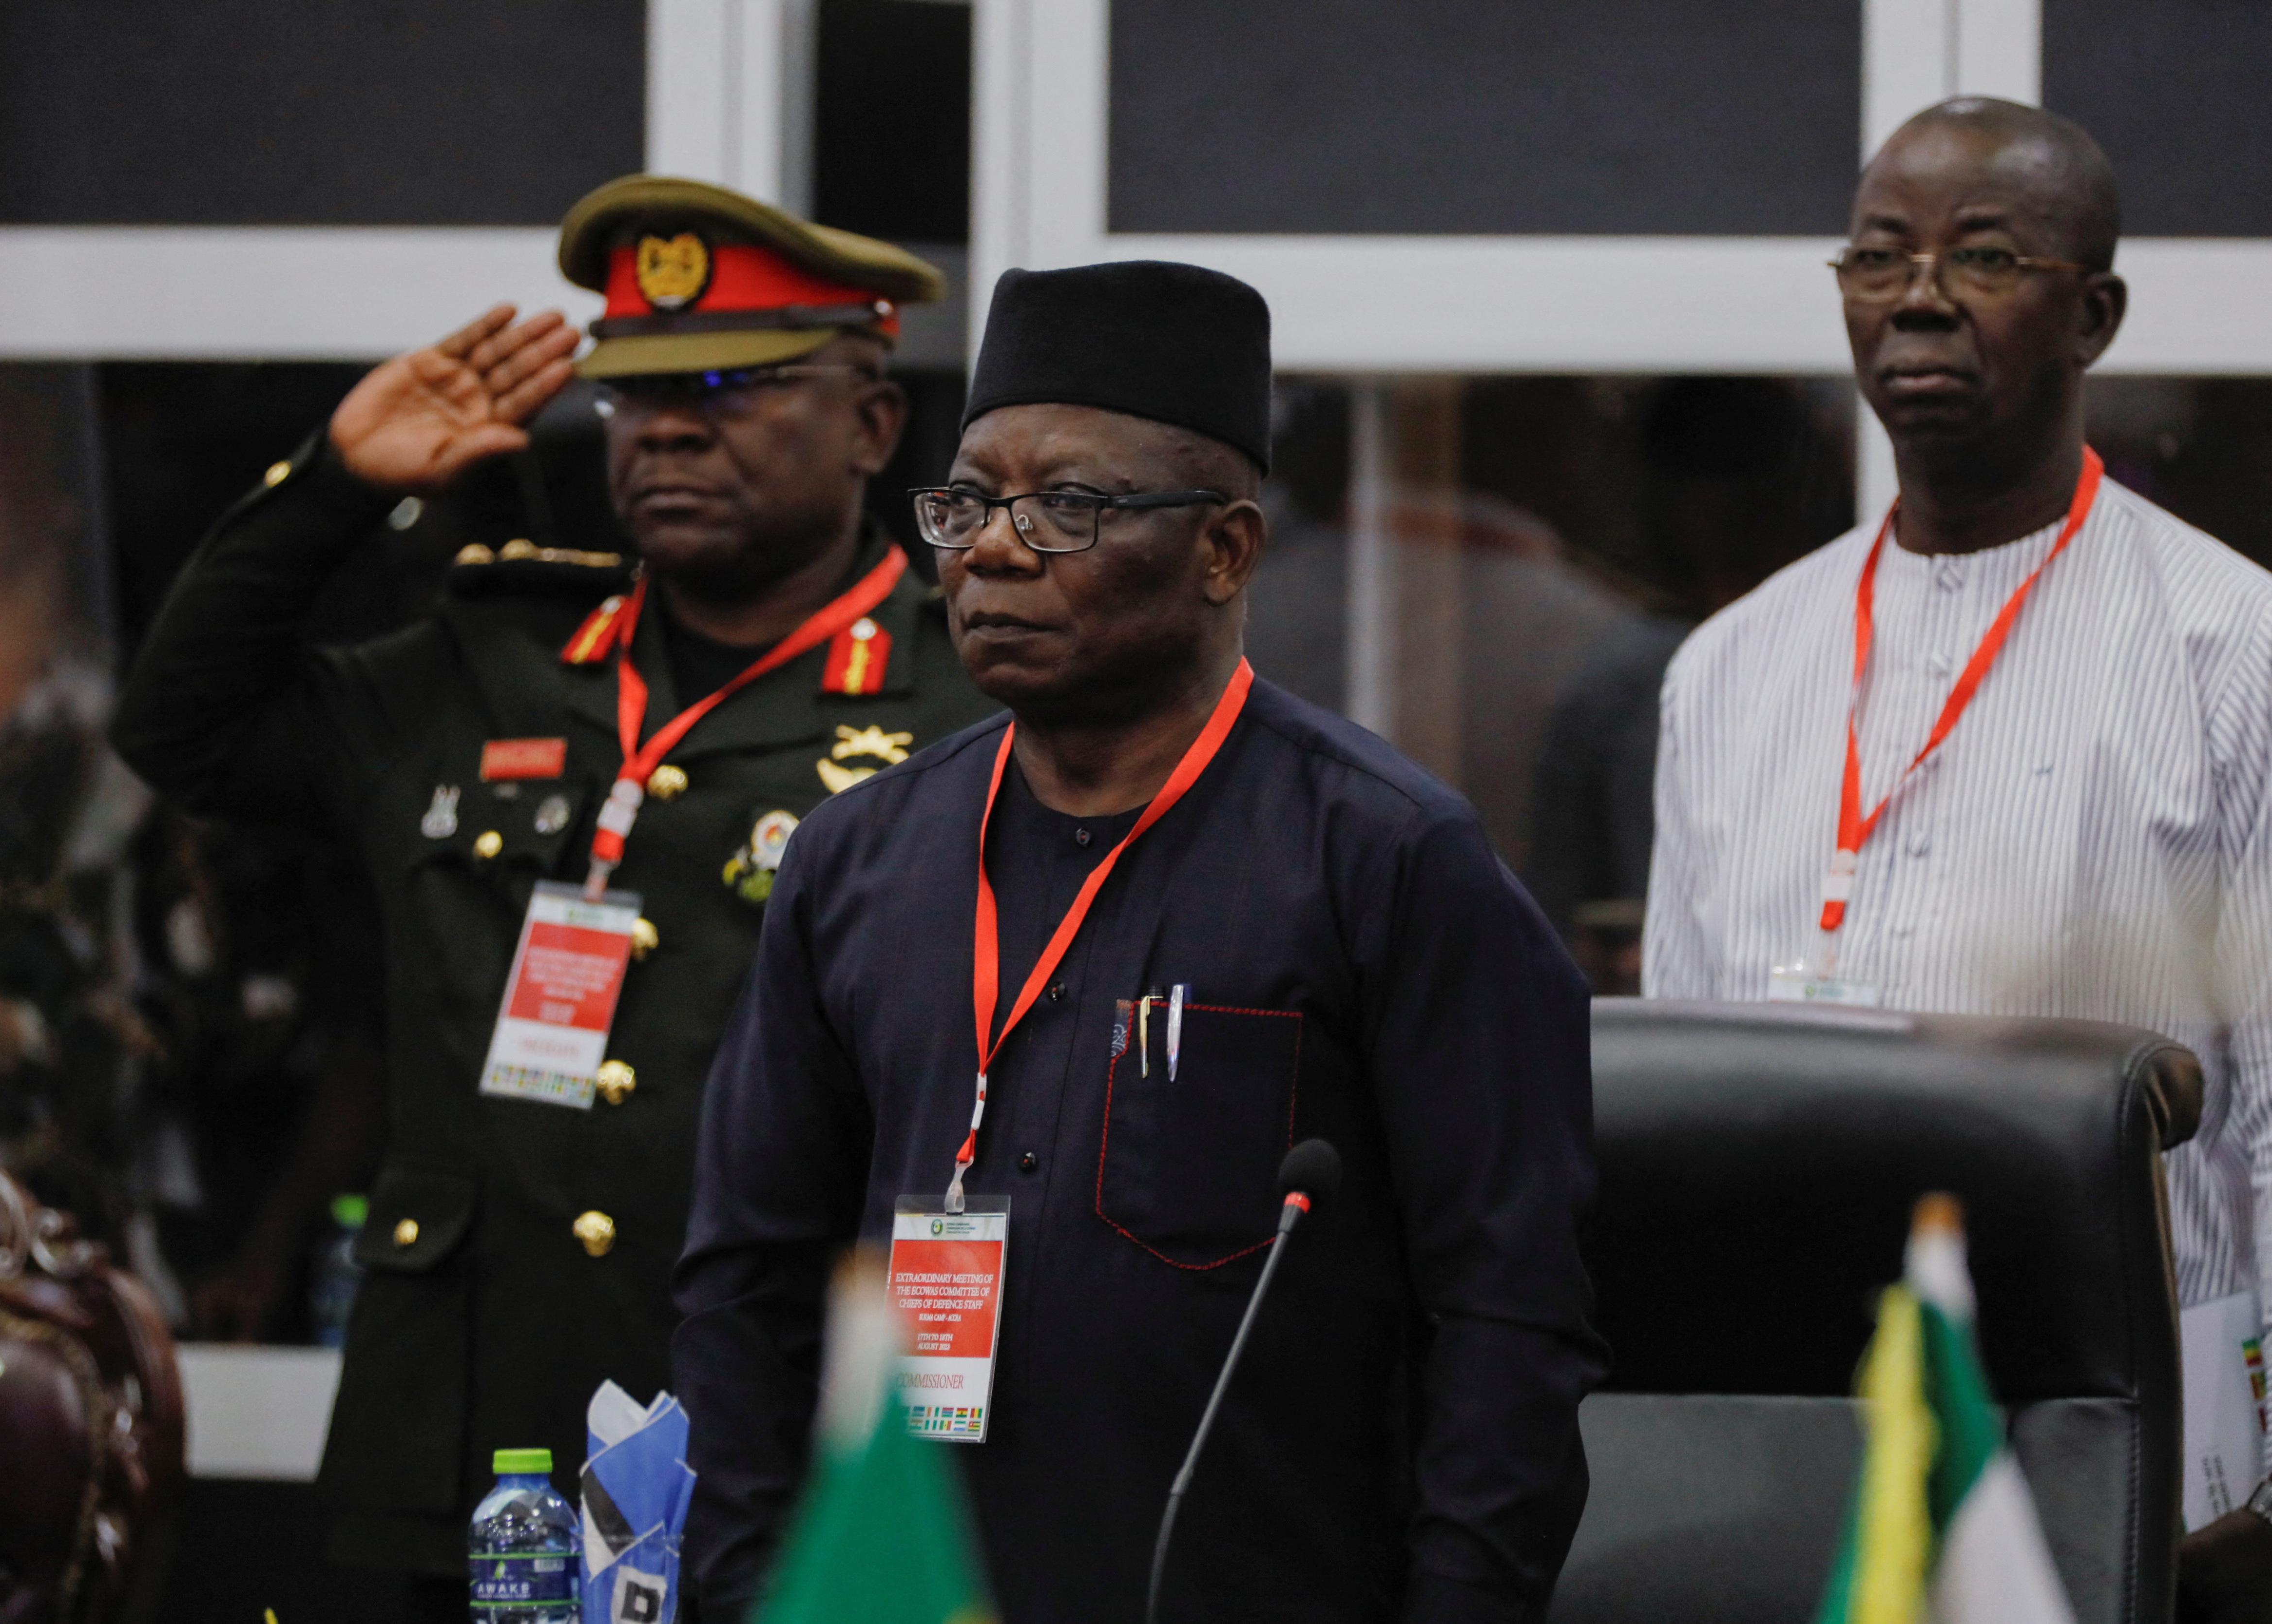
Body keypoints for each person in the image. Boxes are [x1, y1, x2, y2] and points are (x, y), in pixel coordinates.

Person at [110, 176, 998, 1614]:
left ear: (874, 426)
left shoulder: (968, 712)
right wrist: (342, 480)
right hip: (473, 1443)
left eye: (731, 385)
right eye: (635, 393)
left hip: (777, 1448)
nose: (668, 429)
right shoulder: (491, 656)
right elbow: (179, 729)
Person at [674, 261, 1601, 1624]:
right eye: (970, 501)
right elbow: (744, 1283)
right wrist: (753, 1593)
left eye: (1067, 507)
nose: (992, 548)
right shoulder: (855, 860)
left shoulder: (1390, 859)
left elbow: (1511, 1325)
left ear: (1225, 548)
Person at [1643, 98, 2272, 1570]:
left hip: (2138, 1456)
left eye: (1984, 256)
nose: (1917, 299)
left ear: (2093, 316)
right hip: (1787, 1433)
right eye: (1877, 258)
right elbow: (1674, 1097)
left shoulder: (2232, 649)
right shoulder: (1731, 665)